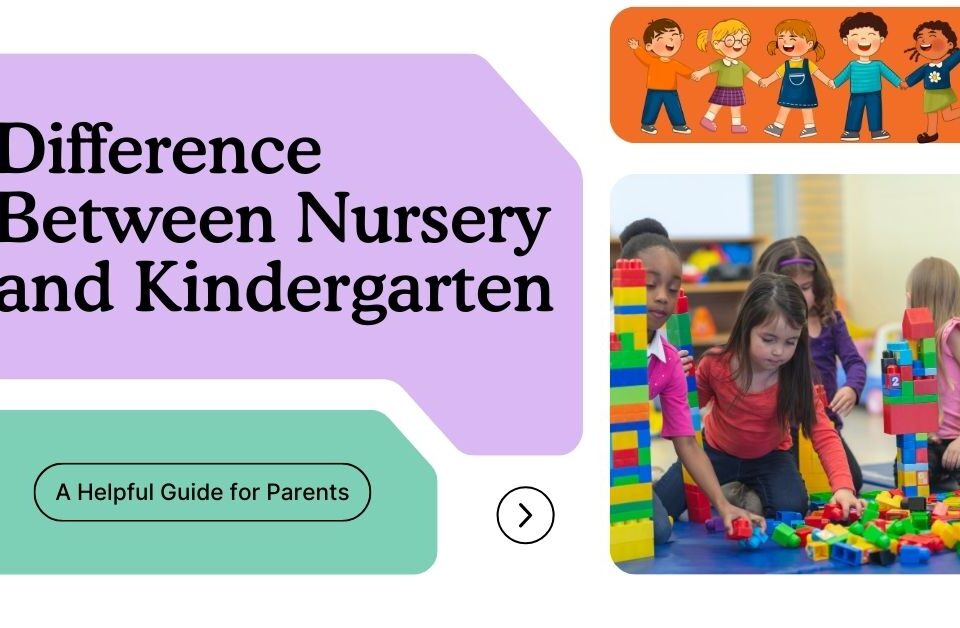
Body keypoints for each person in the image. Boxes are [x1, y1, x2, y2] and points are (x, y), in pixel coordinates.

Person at [655, 273, 863, 521]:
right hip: (715, 453)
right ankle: (731, 491)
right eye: (768, 339)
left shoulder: (795, 377)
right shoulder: (716, 364)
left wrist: (843, 487)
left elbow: (823, 432)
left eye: (790, 342)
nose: (778, 351)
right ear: (746, 327)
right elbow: (688, 408)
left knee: (793, 510)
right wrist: (677, 379)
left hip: (770, 457)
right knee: (661, 505)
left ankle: (740, 493)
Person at [618, 218, 763, 543]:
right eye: (649, 285)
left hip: (625, 467)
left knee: (656, 531)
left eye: (672, 288)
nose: (661, 297)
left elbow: (687, 442)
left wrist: (723, 505)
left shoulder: (668, 361)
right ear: (622, 286)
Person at [757, 236, 865, 493]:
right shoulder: (768, 328)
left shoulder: (830, 320)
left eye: (805, 287)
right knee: (792, 489)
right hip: (783, 431)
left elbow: (855, 362)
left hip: (824, 425)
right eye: (790, 288)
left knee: (854, 481)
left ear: (818, 284)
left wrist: (852, 388)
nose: (799, 296)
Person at [906, 258, 960, 489]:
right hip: (934, 441)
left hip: (957, 440)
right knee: (909, 472)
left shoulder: (951, 331)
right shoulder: (919, 341)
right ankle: (944, 474)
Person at [833, 11, 903, 141]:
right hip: (856, 93)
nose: (864, 40)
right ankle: (851, 131)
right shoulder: (852, 65)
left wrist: (899, 82)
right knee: (854, 110)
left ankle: (877, 131)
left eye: (871, 35)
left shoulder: (878, 64)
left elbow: (889, 74)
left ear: (881, 39)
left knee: (875, 111)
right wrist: (834, 83)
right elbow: (843, 76)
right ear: (845, 40)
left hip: (874, 92)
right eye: (856, 35)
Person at [759, 19, 835, 138]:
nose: (786, 42)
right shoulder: (786, 65)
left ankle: (810, 128)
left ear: (809, 44)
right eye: (782, 38)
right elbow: (776, 75)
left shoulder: (808, 63)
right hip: (789, 93)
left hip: (805, 93)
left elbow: (818, 74)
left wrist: (829, 82)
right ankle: (778, 127)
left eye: (792, 38)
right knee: (784, 107)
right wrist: (767, 81)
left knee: (806, 109)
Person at [690, 18, 762, 134]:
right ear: (717, 44)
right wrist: (699, 73)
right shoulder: (720, 63)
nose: (738, 44)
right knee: (716, 104)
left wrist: (759, 80)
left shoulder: (741, 64)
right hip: (722, 88)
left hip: (737, 89)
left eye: (744, 40)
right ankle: (707, 119)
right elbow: (708, 69)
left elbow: (750, 74)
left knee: (736, 108)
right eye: (730, 40)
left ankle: (736, 125)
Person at [627, 18, 695, 135]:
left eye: (674, 36)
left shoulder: (674, 64)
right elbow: (643, 56)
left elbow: (686, 71)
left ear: (681, 37)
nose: (670, 41)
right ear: (649, 46)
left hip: (671, 91)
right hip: (654, 90)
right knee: (651, 108)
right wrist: (636, 48)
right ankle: (647, 125)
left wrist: (694, 75)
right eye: (661, 38)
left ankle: (679, 125)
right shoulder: (652, 61)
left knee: (675, 108)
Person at [901, 21, 960, 143]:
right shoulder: (925, 67)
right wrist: (907, 83)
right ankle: (931, 133)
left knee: (947, 115)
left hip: (943, 92)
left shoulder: (946, 65)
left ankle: (932, 132)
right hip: (930, 94)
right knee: (931, 113)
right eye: (920, 38)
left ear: (949, 45)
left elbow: (957, 56)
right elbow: (916, 76)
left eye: (932, 36)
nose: (923, 41)